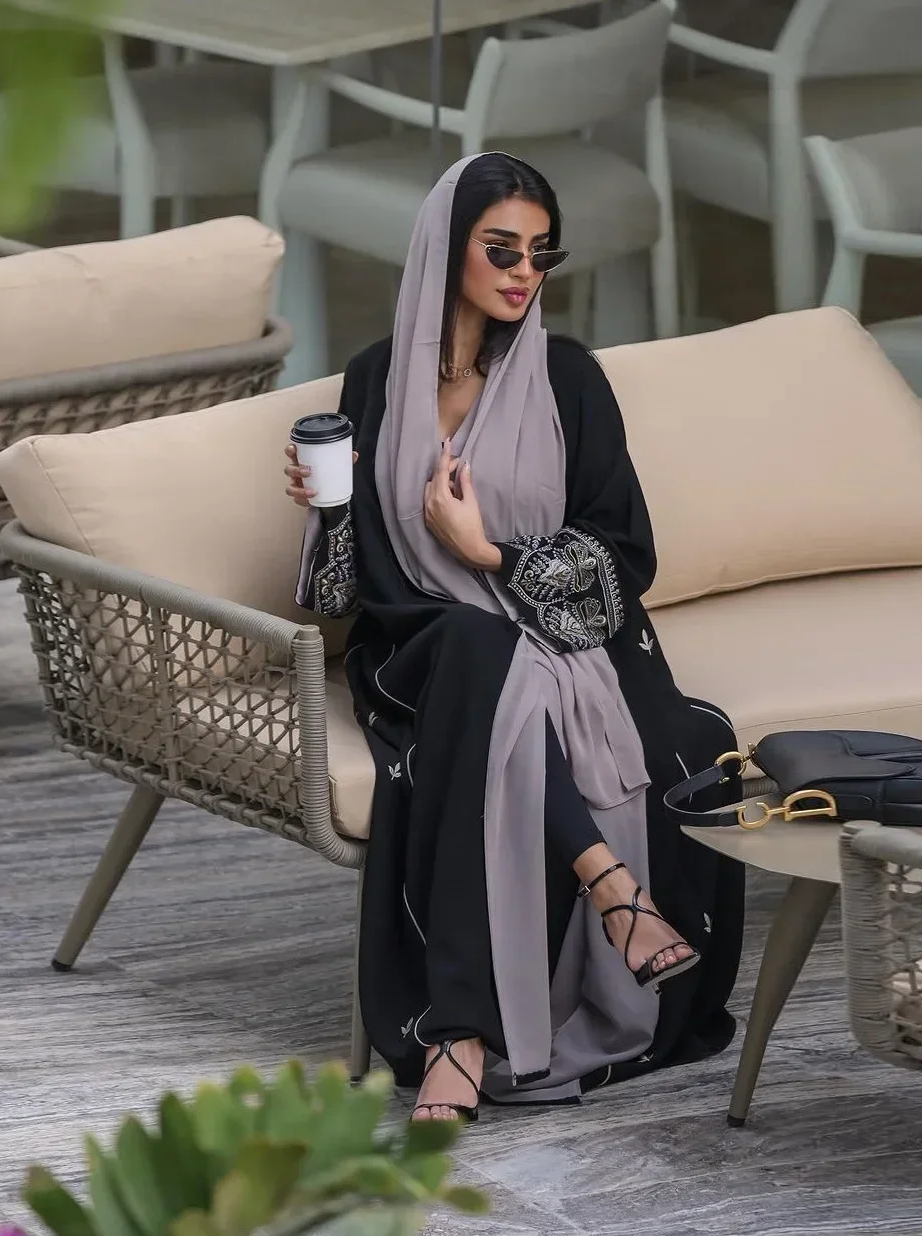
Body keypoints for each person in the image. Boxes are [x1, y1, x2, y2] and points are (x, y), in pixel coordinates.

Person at [286, 152, 744, 1121]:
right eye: (502, 249)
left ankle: (457, 1035)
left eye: (542, 254)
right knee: (470, 648)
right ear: (447, 247)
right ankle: (612, 888)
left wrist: (488, 553)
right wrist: (327, 510)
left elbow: (626, 554)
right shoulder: (373, 381)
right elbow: (340, 595)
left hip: (561, 636)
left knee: (500, 665)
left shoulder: (569, 378)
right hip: (415, 648)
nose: (524, 272)